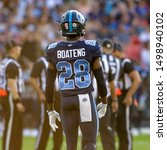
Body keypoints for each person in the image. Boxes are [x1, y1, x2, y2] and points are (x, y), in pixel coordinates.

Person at [45, 10, 108, 150]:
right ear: (82, 27)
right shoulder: (91, 47)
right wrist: (104, 101)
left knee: (70, 145)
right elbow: (100, 78)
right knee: (90, 142)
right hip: (84, 98)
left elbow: (49, 84)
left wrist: (50, 109)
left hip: (66, 100)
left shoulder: (53, 49)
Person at [112, 42, 141, 150]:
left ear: (118, 51)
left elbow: (137, 79)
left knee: (125, 128)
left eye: (113, 52)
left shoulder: (125, 62)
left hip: (125, 96)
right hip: (117, 96)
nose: (112, 55)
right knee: (119, 129)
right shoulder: (116, 63)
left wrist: (129, 96)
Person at [29, 56, 63, 150]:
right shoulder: (41, 62)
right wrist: (40, 93)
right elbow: (32, 78)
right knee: (45, 124)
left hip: (58, 95)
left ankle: (57, 147)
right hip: (46, 95)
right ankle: (39, 148)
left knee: (59, 124)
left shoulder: (58, 61)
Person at [0, 40, 25, 150]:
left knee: (16, 126)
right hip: (11, 95)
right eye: (18, 47)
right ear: (14, 49)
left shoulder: (4, 62)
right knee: (10, 126)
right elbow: (11, 82)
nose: (20, 49)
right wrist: (17, 101)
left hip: (4, 94)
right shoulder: (12, 64)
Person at [97, 39, 120, 150]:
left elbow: (111, 81)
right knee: (105, 127)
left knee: (101, 127)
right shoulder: (114, 61)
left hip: (103, 97)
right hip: (109, 95)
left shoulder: (100, 60)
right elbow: (113, 81)